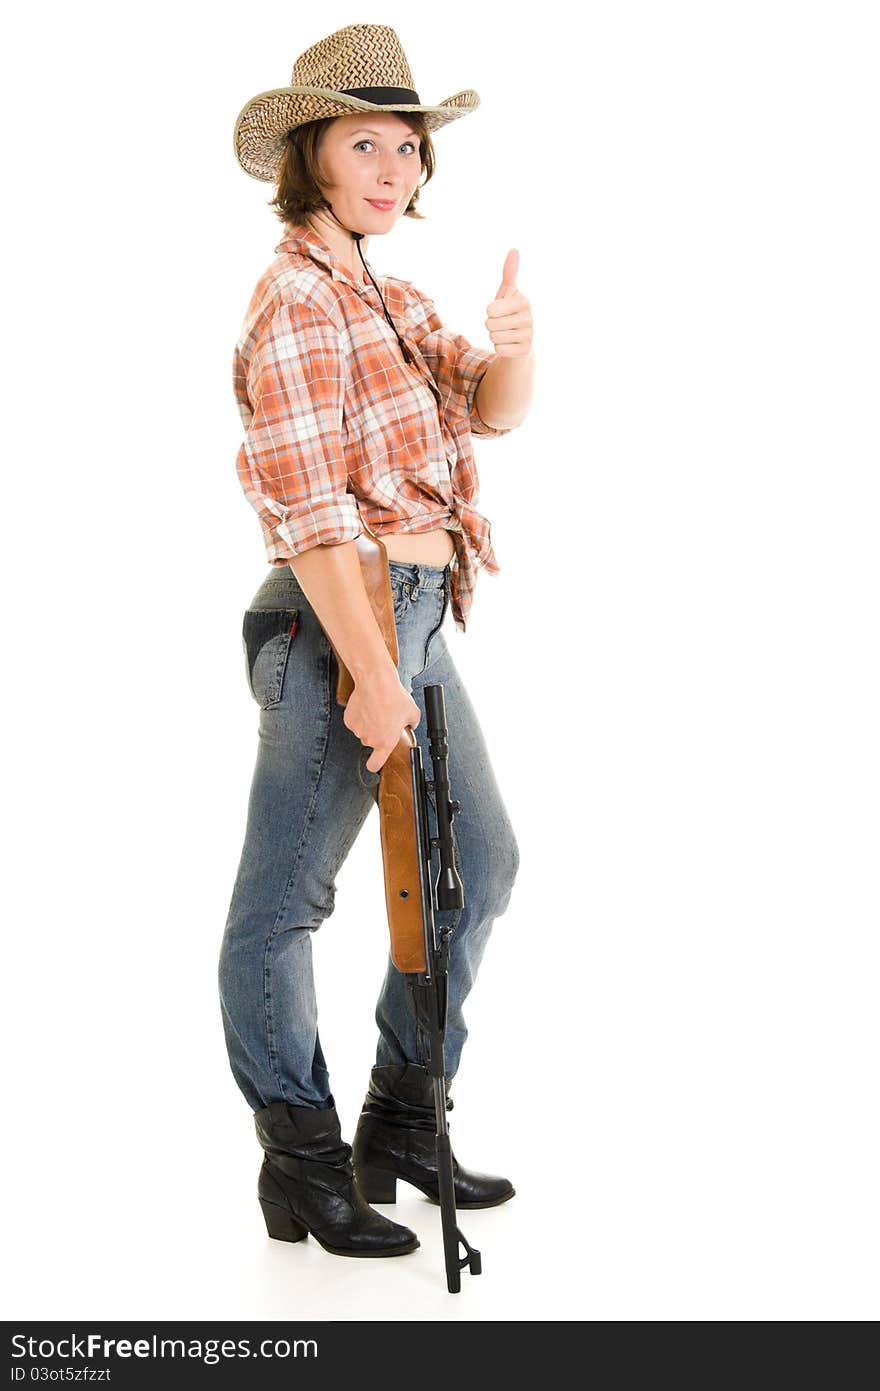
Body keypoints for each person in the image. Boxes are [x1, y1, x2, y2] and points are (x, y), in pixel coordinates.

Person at [220, 23, 535, 1260]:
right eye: (365, 144)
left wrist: (513, 347)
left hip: (416, 617)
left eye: (407, 148)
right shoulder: (297, 299)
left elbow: (486, 413)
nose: (393, 168)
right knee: (283, 899)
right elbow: (307, 512)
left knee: (486, 866)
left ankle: (401, 1116)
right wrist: (368, 670)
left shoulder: (385, 293)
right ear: (311, 152)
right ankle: (299, 1158)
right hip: (336, 616)